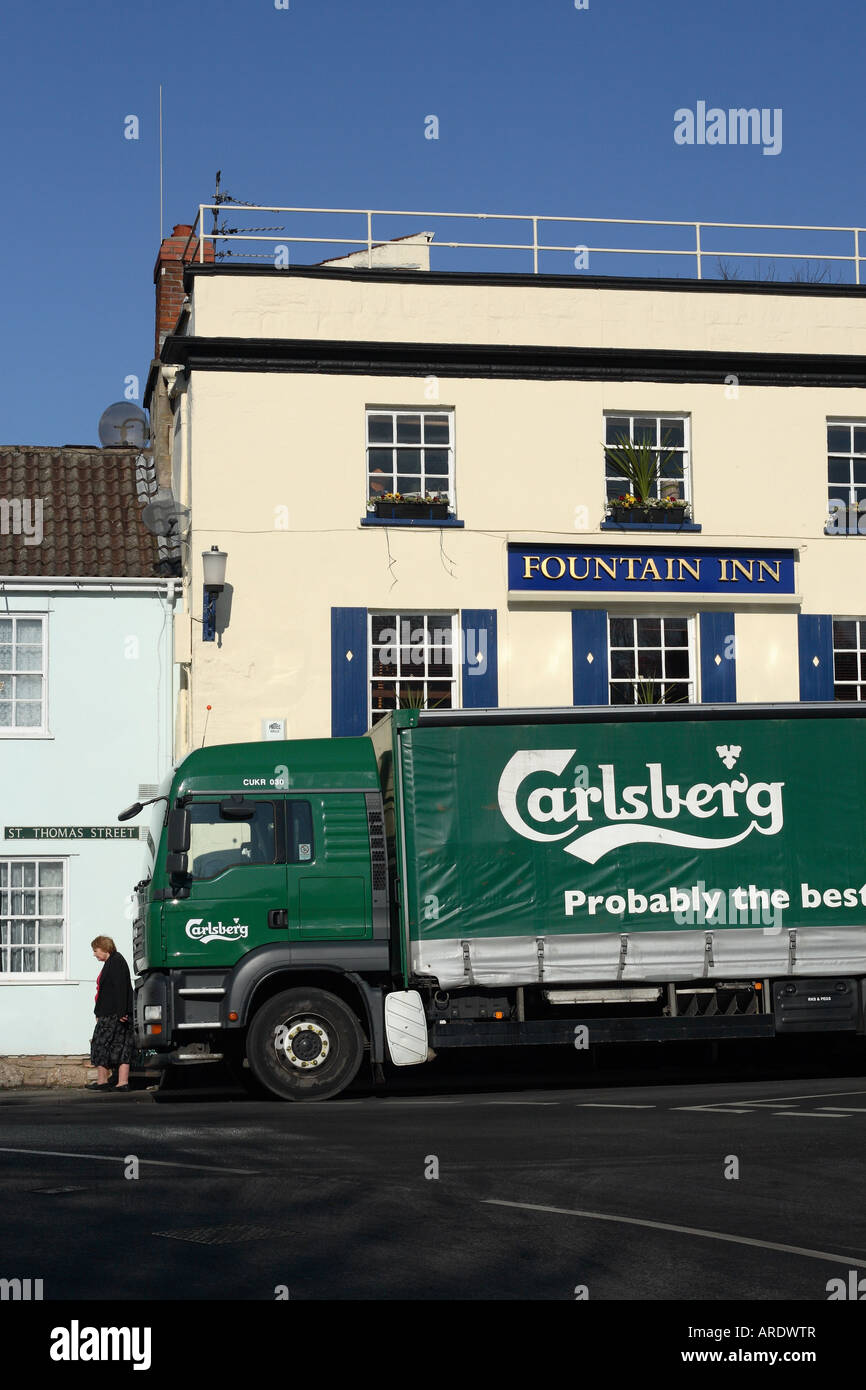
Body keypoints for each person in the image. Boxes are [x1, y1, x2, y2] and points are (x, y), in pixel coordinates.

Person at [86, 936, 134, 1092]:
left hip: (114, 1014)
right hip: (111, 1012)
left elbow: (121, 988)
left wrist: (121, 1011)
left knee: (104, 1045)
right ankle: (119, 1082)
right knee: (118, 1046)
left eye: (95, 950)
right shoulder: (112, 962)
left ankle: (107, 1082)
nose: (94, 954)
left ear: (104, 948)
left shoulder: (116, 962)